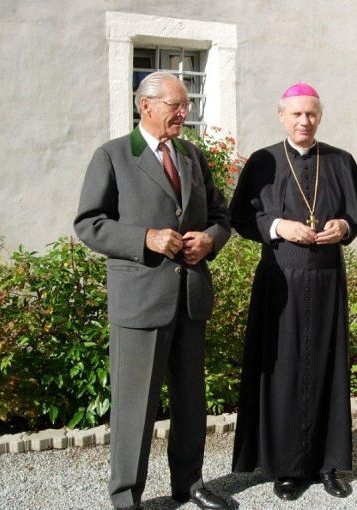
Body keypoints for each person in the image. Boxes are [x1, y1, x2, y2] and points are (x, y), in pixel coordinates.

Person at [74, 71, 230, 510]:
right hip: (141, 300)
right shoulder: (113, 156)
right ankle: (126, 497)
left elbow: (221, 216)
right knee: (134, 407)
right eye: (176, 106)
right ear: (146, 105)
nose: (184, 113)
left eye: (186, 106)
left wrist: (210, 240)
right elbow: (89, 223)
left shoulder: (192, 155)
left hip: (190, 298)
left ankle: (190, 484)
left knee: (190, 401)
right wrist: (145, 238)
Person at [229, 82, 357, 501]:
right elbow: (240, 217)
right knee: (283, 370)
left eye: (311, 114)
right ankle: (286, 467)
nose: (304, 121)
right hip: (280, 281)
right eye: (296, 114)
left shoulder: (339, 160)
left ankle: (327, 464)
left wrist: (343, 226)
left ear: (319, 117)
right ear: (281, 116)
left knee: (327, 367)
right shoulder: (264, 161)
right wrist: (278, 226)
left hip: (326, 279)